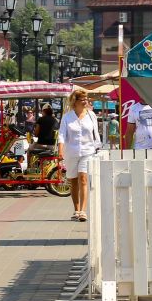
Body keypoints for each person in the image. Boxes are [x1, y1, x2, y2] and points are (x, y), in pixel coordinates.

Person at [59, 87, 99, 222]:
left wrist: (97, 147)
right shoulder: (67, 117)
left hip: (88, 151)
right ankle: (76, 209)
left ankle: (83, 211)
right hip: (71, 152)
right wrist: (60, 150)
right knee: (73, 180)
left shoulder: (91, 115)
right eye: (82, 99)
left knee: (83, 178)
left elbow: (96, 134)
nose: (85, 101)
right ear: (75, 102)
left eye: (86, 99)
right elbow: (62, 135)